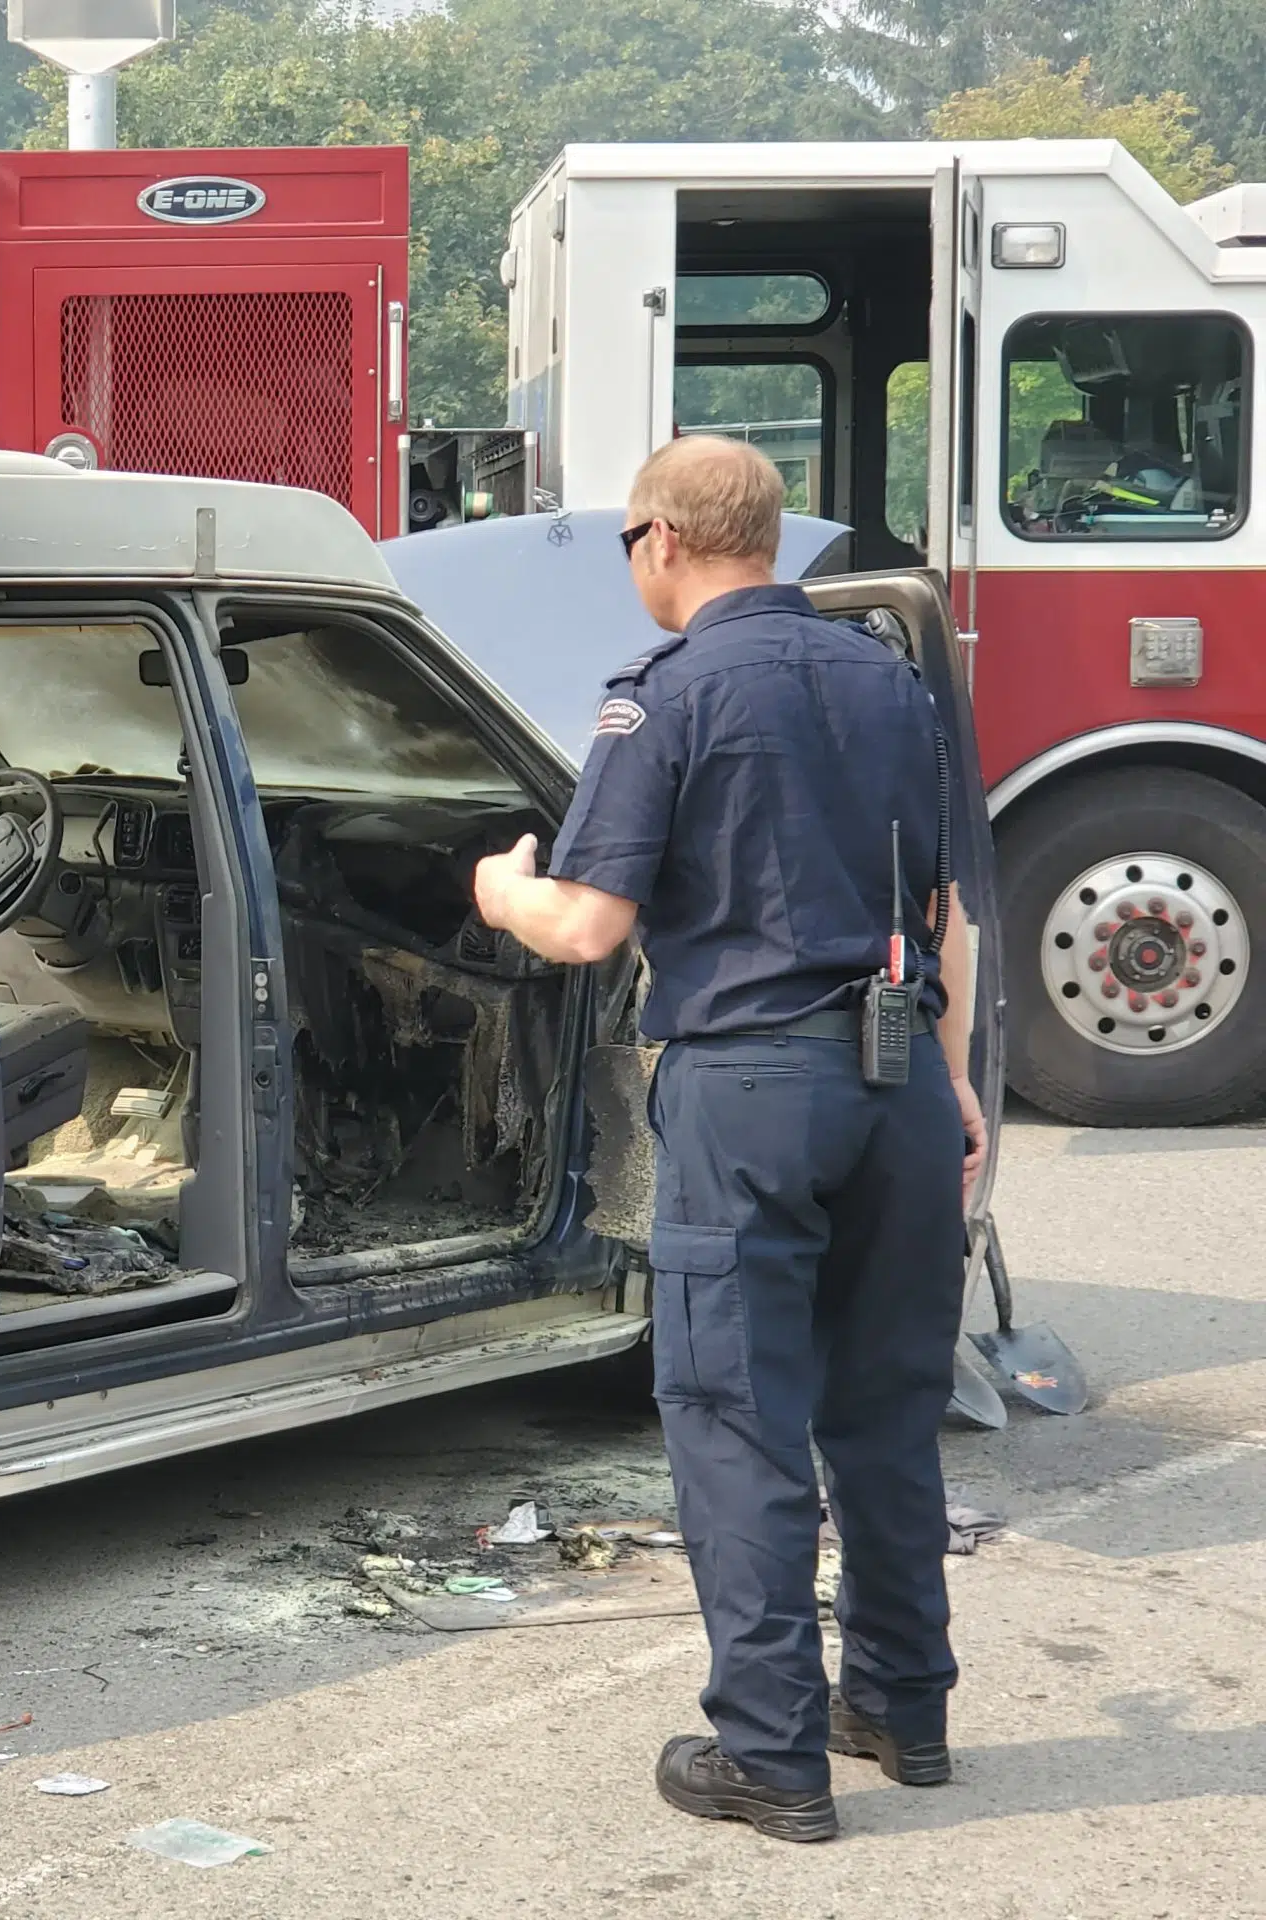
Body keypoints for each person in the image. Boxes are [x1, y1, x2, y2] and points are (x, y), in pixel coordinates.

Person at [470, 436, 988, 1844]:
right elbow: (947, 917)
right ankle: (903, 1707)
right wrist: (953, 1094)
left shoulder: (665, 697)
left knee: (739, 1423)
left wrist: (501, 890)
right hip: (895, 1086)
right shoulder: (888, 678)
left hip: (752, 1091)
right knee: (885, 1411)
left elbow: (587, 928)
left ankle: (770, 1757)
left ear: (662, 544)